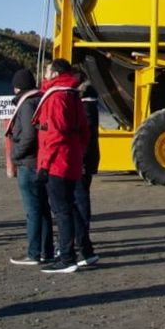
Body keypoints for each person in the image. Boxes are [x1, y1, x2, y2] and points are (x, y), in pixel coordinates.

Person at [35, 58, 90, 273]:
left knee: (62, 210)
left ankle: (67, 257)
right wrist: (78, 152)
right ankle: (84, 251)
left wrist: (44, 165)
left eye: (47, 72)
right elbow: (84, 131)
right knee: (70, 207)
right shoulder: (73, 95)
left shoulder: (56, 97)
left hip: (57, 161)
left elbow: (53, 134)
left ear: (56, 74)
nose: (44, 76)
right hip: (71, 158)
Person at [6, 68, 53, 265]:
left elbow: (28, 136)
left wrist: (14, 156)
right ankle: (46, 250)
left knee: (33, 210)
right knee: (43, 209)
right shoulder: (41, 99)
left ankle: (34, 252)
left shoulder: (26, 105)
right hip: (40, 161)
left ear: (17, 87)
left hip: (28, 163)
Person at [74, 72, 101, 266]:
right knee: (80, 199)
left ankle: (81, 240)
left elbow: (85, 135)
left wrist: (80, 161)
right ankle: (81, 239)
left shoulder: (85, 107)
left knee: (80, 199)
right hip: (86, 160)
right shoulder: (89, 104)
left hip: (82, 161)